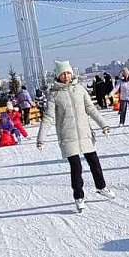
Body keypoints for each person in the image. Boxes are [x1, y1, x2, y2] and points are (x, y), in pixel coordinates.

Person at [37, 60, 114, 212]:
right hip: (68, 135)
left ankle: (101, 187)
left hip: (85, 133)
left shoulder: (80, 89)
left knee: (94, 162)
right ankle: (79, 197)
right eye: (63, 74)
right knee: (76, 167)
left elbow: (91, 109)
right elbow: (48, 117)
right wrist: (41, 139)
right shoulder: (54, 94)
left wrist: (104, 125)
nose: (66, 76)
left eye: (68, 73)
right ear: (58, 76)